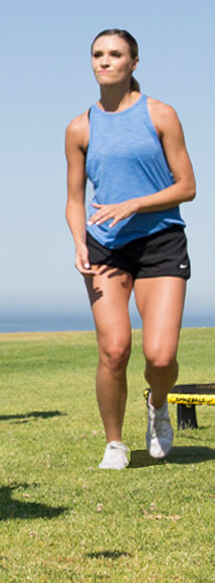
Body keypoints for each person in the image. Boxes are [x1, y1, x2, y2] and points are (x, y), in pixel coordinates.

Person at [65, 29, 196, 470]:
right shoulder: (79, 127)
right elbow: (74, 199)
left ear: (134, 62)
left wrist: (134, 203)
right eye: (98, 54)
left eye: (115, 54)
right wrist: (79, 240)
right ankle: (115, 443)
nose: (105, 61)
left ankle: (158, 405)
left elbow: (187, 186)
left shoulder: (160, 115)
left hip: (160, 240)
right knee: (114, 349)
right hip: (106, 247)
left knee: (160, 355)